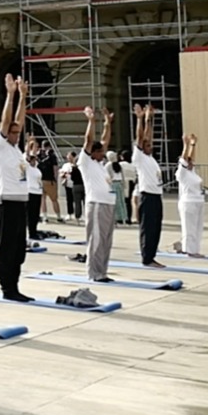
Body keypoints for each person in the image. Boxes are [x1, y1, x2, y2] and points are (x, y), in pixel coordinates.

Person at [0, 75, 32, 301]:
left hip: (21, 201)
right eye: (13, 132)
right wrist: (11, 94)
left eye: (18, 132)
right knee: (7, 248)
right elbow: (7, 121)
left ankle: (15, 286)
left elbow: (18, 122)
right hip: (6, 202)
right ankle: (7, 288)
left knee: (19, 249)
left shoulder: (15, 149)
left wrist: (23, 97)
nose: (17, 134)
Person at [76, 107, 117, 283]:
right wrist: (91, 121)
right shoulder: (85, 162)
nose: (102, 154)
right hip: (96, 204)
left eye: (102, 152)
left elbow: (105, 140)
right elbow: (89, 140)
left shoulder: (100, 164)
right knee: (96, 240)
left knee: (106, 241)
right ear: (92, 153)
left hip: (108, 204)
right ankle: (94, 273)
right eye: (99, 152)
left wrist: (107, 122)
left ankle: (102, 272)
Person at [131, 105, 167, 268]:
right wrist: (140, 119)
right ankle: (147, 258)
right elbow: (141, 137)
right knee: (148, 228)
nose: (150, 146)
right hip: (147, 195)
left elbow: (148, 136)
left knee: (156, 228)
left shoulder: (150, 158)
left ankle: (151, 255)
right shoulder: (139, 157)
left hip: (156, 195)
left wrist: (149, 119)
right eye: (147, 146)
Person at [177, 133, 206, 258]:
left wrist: (193, 144)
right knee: (189, 228)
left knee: (198, 228)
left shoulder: (192, 172)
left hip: (199, 201)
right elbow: (184, 159)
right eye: (188, 161)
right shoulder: (182, 173)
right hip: (188, 202)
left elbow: (191, 157)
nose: (191, 163)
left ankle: (195, 250)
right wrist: (186, 144)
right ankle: (189, 250)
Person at [60, 150, 83, 221]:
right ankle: (69, 213)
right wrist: (63, 175)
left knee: (78, 200)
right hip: (68, 184)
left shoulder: (78, 165)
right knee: (69, 199)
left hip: (76, 184)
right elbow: (61, 173)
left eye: (70, 157)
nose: (68, 158)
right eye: (68, 157)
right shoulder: (65, 165)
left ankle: (78, 215)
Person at [109, 150, 130, 225]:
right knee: (121, 202)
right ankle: (122, 217)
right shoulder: (119, 165)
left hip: (112, 184)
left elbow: (107, 176)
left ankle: (115, 218)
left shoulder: (108, 165)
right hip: (120, 184)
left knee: (114, 202)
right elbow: (123, 176)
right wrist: (124, 185)